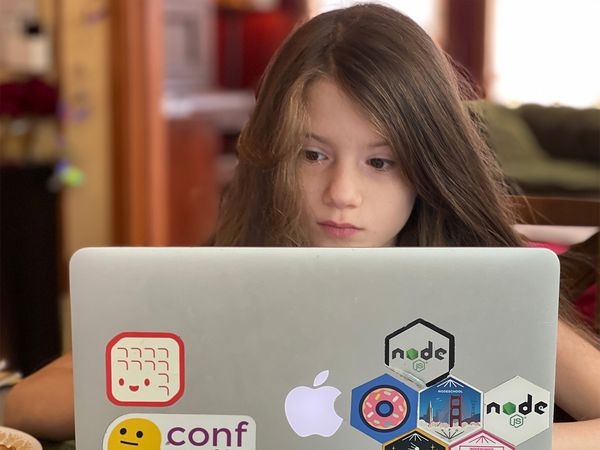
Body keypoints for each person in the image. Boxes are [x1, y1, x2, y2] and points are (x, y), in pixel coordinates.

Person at [4, 4, 600, 447]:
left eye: (381, 162)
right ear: (273, 156)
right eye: (311, 154)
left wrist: (478, 439)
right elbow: (26, 405)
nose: (342, 193)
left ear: (428, 168)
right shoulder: (211, 283)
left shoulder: (492, 289)